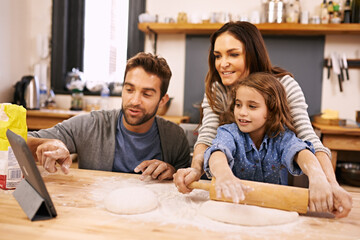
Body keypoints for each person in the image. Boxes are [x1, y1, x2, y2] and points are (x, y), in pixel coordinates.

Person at [173, 21, 352, 218]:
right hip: (231, 201)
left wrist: (328, 182)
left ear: (252, 53)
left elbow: (307, 140)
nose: (222, 64)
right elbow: (209, 137)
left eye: (233, 54)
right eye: (218, 56)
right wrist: (196, 168)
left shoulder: (283, 87)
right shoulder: (218, 90)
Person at [27, 52, 190, 181]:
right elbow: (21, 140)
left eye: (146, 94)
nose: (134, 101)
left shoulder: (175, 137)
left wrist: (172, 172)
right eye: (129, 90)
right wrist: (48, 143)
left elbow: (184, 183)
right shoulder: (91, 125)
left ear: (162, 100)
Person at [204, 72, 333, 213]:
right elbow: (217, 153)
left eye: (252, 106)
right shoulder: (229, 133)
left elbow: (301, 152)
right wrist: (224, 175)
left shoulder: (281, 137)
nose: (242, 112)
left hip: (274, 210)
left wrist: (317, 177)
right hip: (235, 207)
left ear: (271, 111)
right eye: (238, 105)